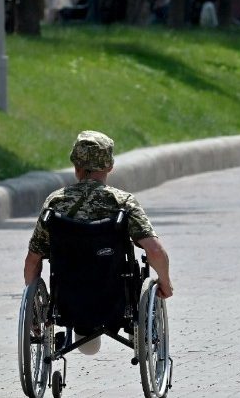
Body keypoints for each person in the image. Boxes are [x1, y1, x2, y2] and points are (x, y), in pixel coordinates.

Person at [23, 130, 173, 354]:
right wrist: (165, 282)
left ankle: (83, 334)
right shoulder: (122, 202)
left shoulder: (55, 202)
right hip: (115, 298)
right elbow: (154, 250)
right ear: (110, 167)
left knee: (88, 346)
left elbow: (33, 260)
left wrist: (35, 311)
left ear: (76, 165)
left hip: (68, 299)